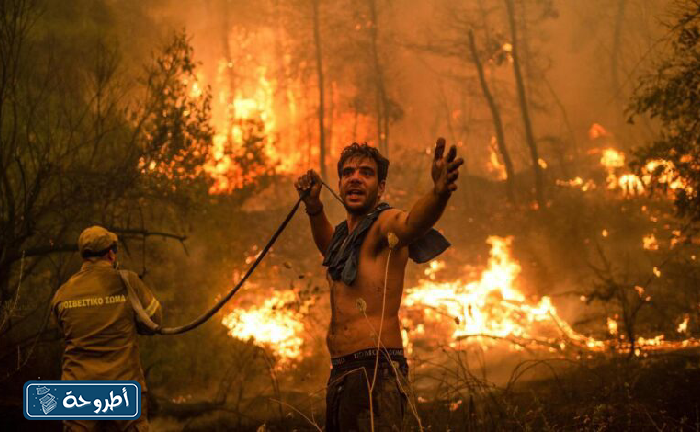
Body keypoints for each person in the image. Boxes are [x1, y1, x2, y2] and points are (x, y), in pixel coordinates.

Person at [294, 139, 463, 431]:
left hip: (376, 371)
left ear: (381, 187)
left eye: (366, 172)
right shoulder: (343, 239)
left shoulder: (384, 224)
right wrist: (314, 208)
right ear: (340, 182)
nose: (355, 177)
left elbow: (411, 224)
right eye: (348, 172)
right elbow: (328, 248)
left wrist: (439, 193)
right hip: (341, 373)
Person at [50, 226, 162, 432]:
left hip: (78, 391)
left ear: (83, 256)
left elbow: (63, 332)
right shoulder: (127, 282)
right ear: (111, 253)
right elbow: (154, 320)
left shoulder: (62, 293)